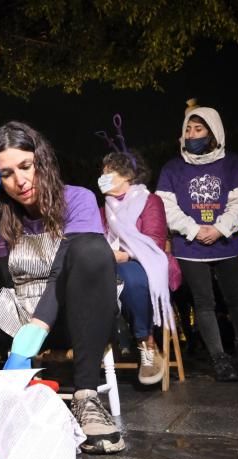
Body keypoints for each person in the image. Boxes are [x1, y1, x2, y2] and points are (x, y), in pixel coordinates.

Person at [0, 121, 124, 455]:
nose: (20, 181)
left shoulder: (78, 198)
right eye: (6, 173)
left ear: (40, 160)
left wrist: (29, 340)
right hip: (21, 315)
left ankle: (86, 397)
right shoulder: (0, 209)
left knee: (90, 249)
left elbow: (63, 270)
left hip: (76, 318)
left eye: (25, 166)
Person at [156, 103, 238, 382]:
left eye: (198, 129)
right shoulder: (172, 168)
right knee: (204, 301)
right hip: (190, 245)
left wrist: (221, 228)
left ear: (213, 133)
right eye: (188, 129)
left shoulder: (232, 163)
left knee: (234, 297)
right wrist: (195, 230)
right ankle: (219, 358)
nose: (191, 134)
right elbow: (166, 206)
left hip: (226, 243)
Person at [98, 151, 181, 386]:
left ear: (126, 175)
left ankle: (147, 344)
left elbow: (154, 241)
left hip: (144, 261)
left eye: (107, 173)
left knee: (132, 279)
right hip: (109, 264)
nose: (102, 177)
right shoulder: (103, 209)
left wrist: (123, 255)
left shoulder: (149, 201)